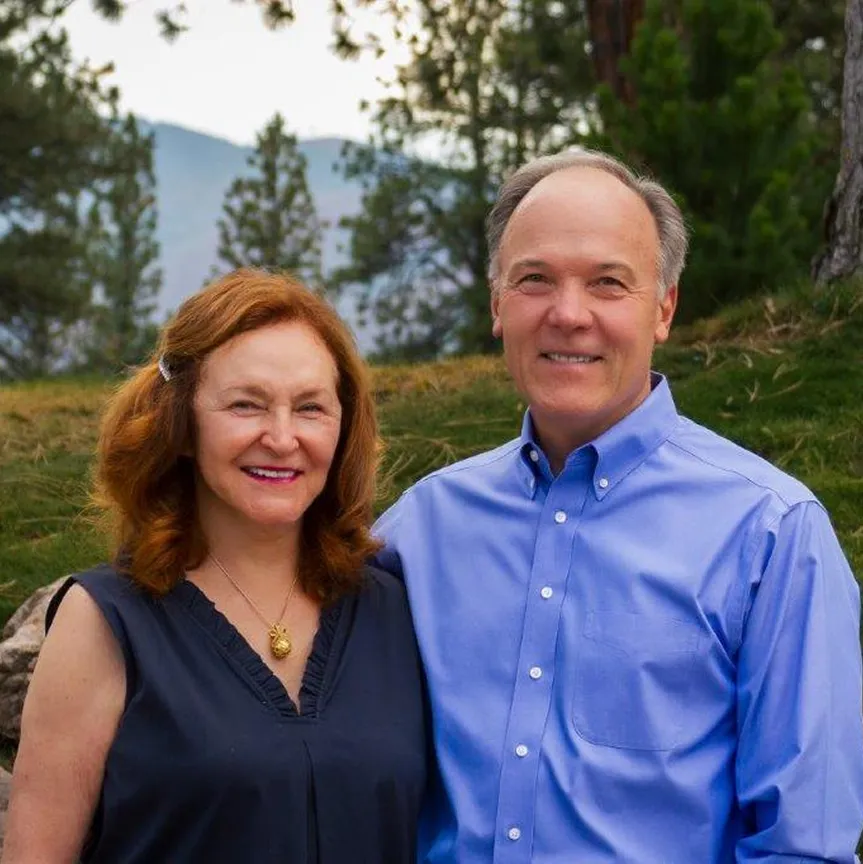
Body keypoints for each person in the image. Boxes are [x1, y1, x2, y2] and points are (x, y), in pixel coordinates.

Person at [374, 149, 863, 862]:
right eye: (534, 280)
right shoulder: (415, 534)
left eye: (607, 283)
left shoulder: (770, 535)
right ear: (495, 303)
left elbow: (803, 845)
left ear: (663, 307)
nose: (568, 315)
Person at [3, 269, 428, 863]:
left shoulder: (396, 610)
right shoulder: (104, 623)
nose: (282, 438)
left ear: (344, 427)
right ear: (180, 425)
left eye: (310, 408)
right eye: (246, 405)